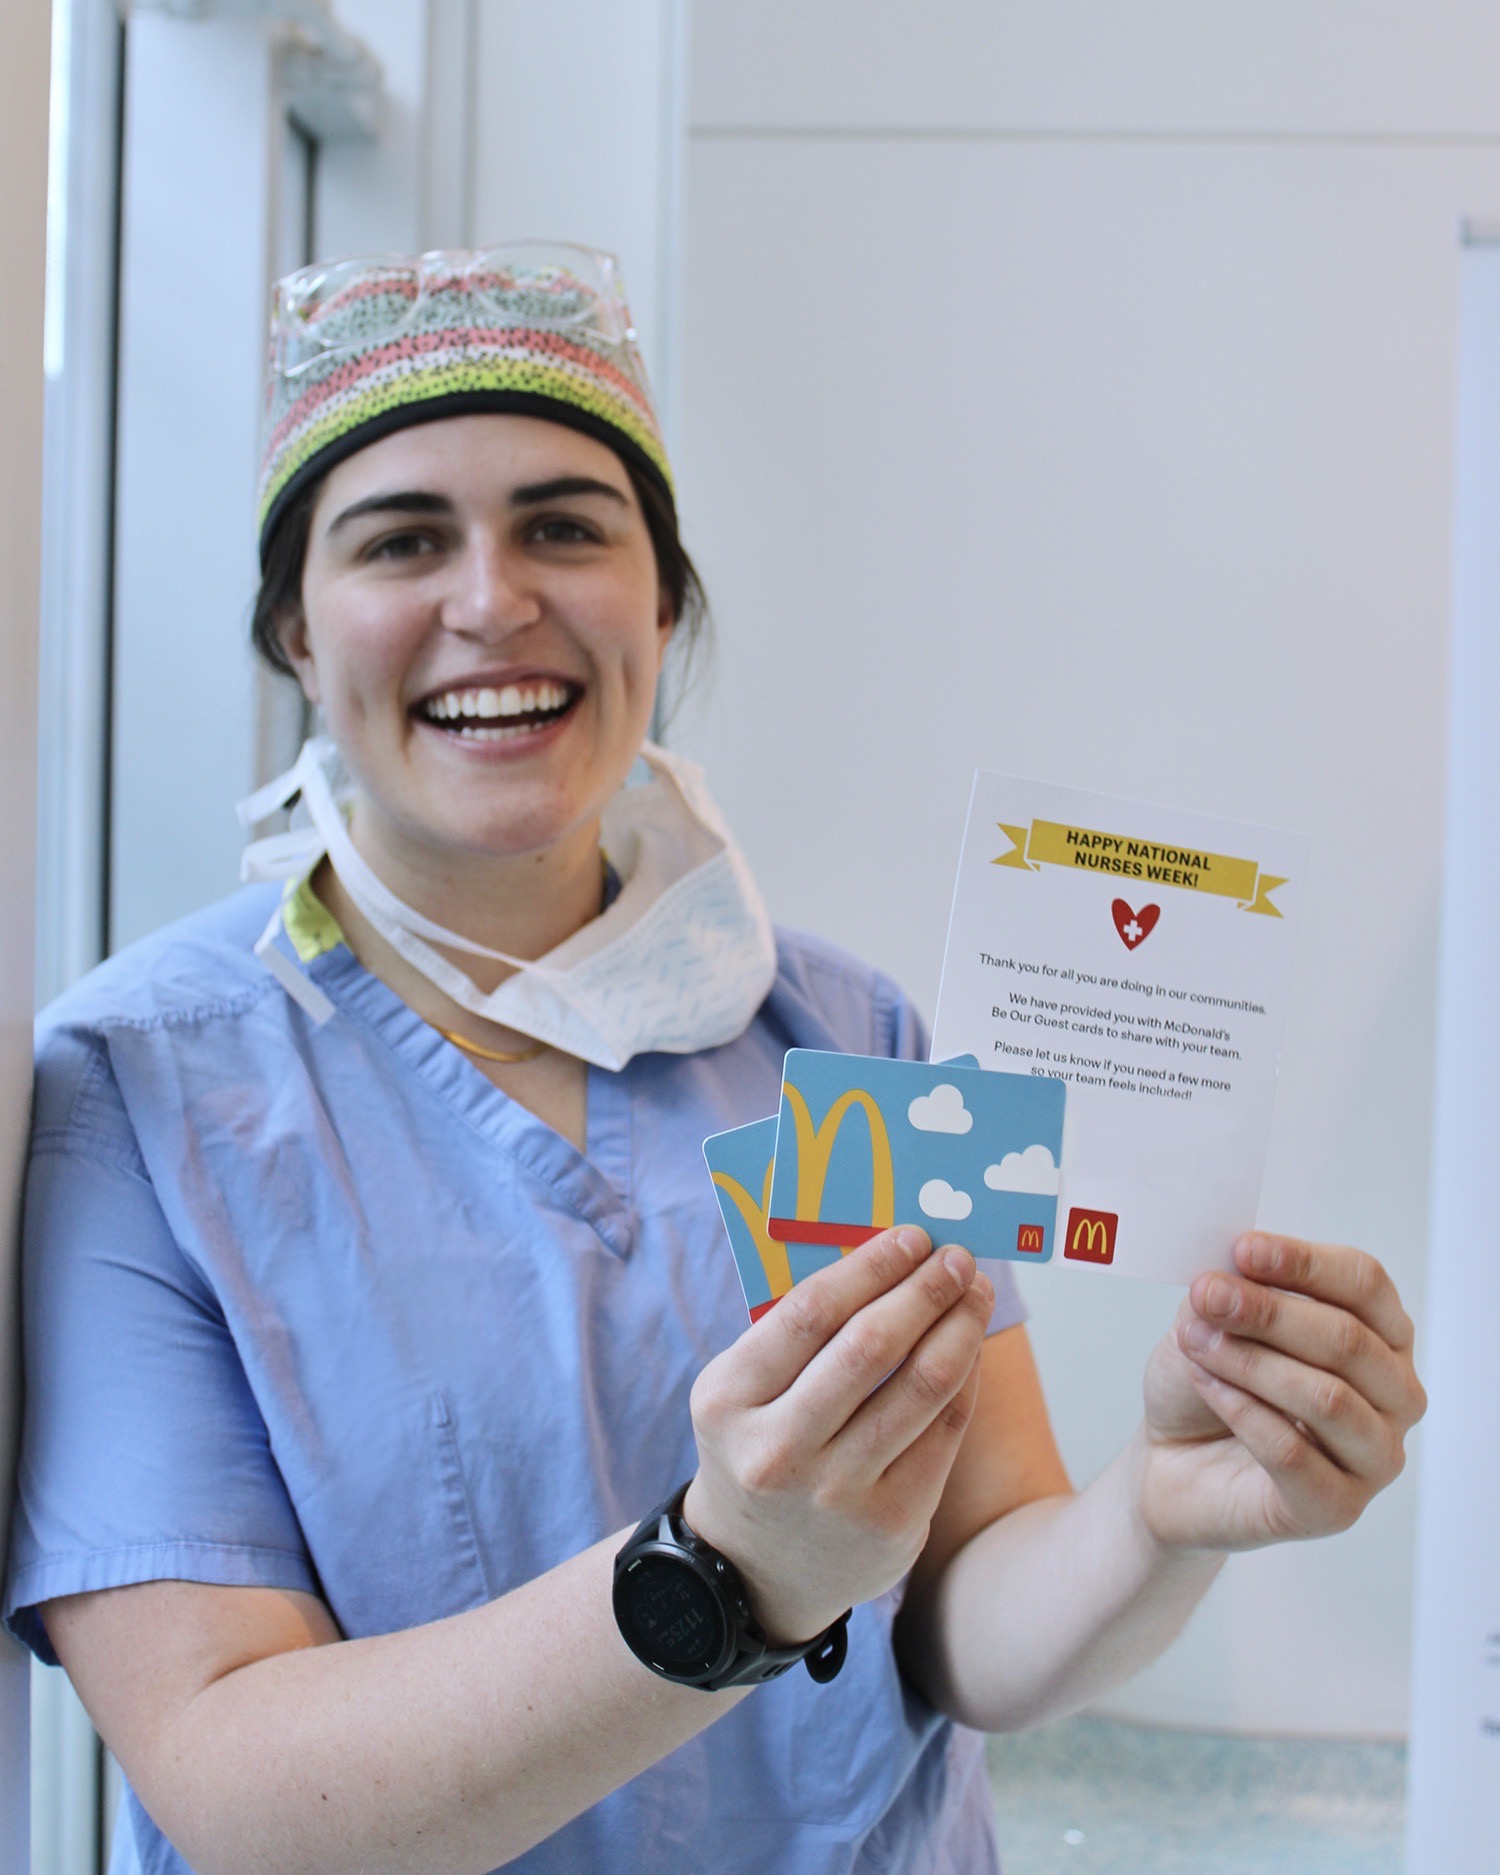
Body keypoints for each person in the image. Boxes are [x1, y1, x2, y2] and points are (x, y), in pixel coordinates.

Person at [5, 243, 1425, 1875]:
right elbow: (236, 1790)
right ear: (297, 637)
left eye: (566, 526)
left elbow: (966, 1621)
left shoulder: (843, 1032)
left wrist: (1159, 1514)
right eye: (402, 541)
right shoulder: (133, 1100)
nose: (494, 601)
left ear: (664, 601)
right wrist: (717, 1576)